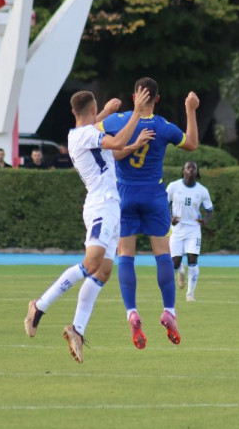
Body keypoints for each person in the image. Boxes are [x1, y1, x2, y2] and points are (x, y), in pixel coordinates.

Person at [23, 88, 152, 363]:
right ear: (92, 110)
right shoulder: (87, 135)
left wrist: (116, 125)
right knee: (91, 263)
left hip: (111, 206)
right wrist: (137, 113)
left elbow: (113, 152)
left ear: (74, 112)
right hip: (101, 206)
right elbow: (116, 142)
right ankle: (39, 306)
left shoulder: (81, 134)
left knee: (103, 272)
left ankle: (77, 330)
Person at [101, 78, 199, 349]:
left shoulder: (117, 121)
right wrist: (190, 109)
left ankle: (132, 312)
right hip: (154, 195)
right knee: (163, 254)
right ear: (157, 99)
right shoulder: (163, 126)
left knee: (126, 255)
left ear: (134, 97)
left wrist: (106, 111)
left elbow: (84, 131)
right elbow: (192, 143)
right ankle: (169, 311)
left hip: (124, 194)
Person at [166, 161, 214, 302]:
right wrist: (170, 218)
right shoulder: (173, 186)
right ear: (183, 171)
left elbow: (210, 211)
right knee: (175, 263)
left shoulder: (202, 190)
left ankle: (190, 294)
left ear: (197, 172)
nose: (191, 169)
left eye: (194, 168)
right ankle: (180, 270)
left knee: (192, 260)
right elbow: (162, 204)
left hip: (193, 229)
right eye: (188, 167)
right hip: (177, 229)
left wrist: (205, 220)